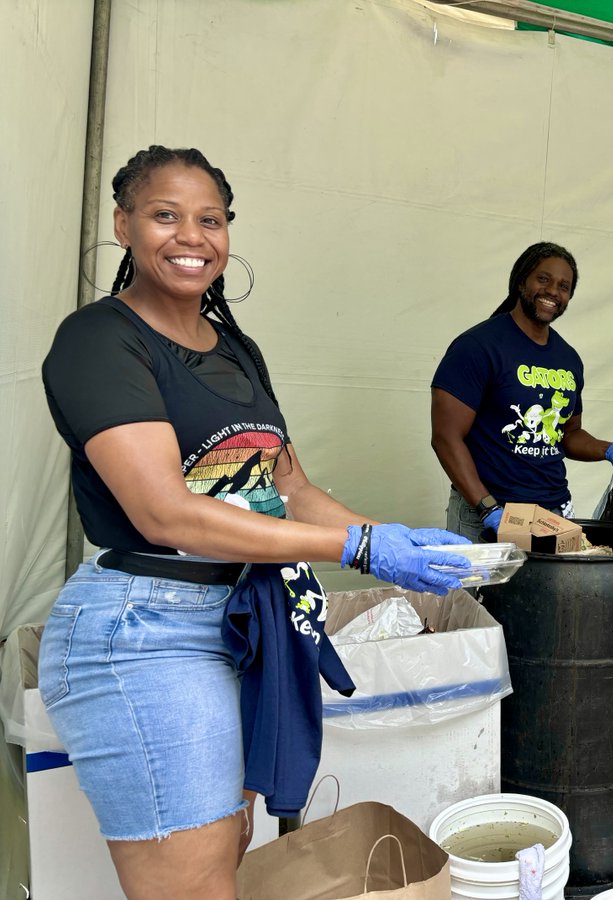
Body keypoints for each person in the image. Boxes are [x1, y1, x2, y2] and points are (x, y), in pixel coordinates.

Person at [39, 145, 470, 900]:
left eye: (209, 219)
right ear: (123, 225)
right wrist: (360, 547)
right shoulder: (99, 339)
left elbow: (290, 486)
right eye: (164, 215)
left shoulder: (237, 347)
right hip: (147, 630)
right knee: (197, 885)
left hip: (242, 624)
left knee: (227, 853)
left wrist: (394, 539)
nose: (190, 236)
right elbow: (166, 511)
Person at [430, 241, 613, 540]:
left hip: (552, 513)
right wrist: (488, 509)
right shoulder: (478, 347)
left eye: (563, 286)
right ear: (522, 280)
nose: (552, 291)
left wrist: (608, 449)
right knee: (477, 590)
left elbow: (568, 435)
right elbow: (446, 438)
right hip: (486, 511)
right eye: (543, 279)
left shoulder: (568, 358)